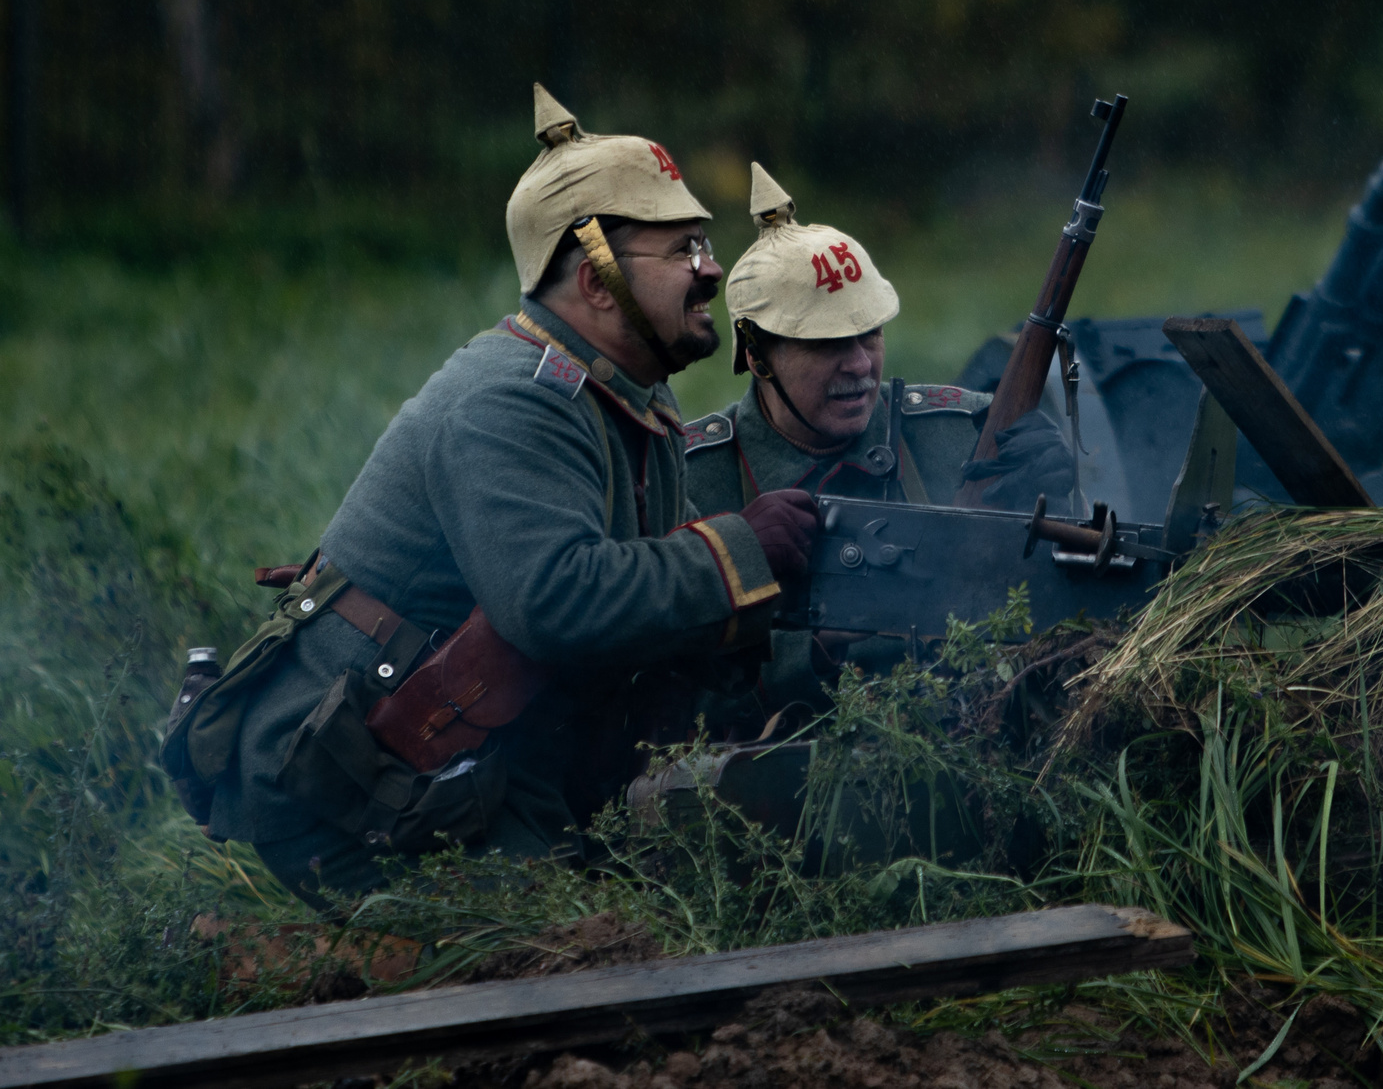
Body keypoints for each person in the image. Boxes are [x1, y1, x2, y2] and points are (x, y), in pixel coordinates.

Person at [192, 87, 822, 908]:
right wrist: (738, 550)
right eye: (682, 250)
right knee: (579, 962)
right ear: (596, 281)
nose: (711, 270)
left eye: (703, 243)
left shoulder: (631, 397)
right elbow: (555, 600)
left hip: (491, 755)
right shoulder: (512, 400)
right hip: (354, 787)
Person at [681, 163, 1074, 725]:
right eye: (827, 344)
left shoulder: (963, 432)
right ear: (755, 353)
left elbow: (1058, 607)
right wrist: (810, 655)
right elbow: (666, 701)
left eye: (870, 332)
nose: (861, 365)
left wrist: (1059, 501)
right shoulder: (698, 479)